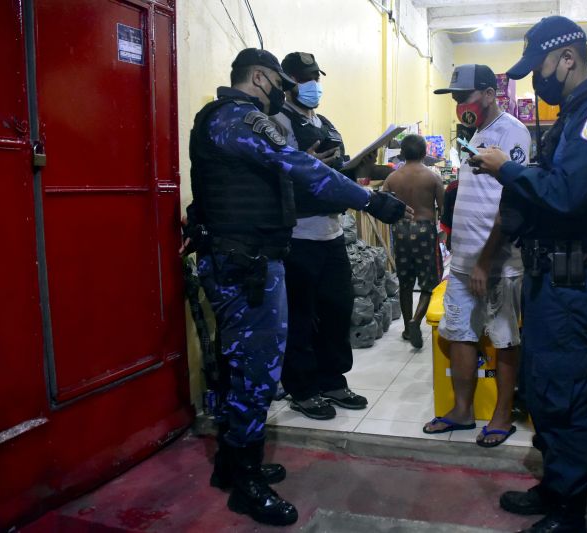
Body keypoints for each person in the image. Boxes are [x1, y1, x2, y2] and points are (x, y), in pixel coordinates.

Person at [184, 48, 411, 527]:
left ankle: (232, 464)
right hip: (245, 267)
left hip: (243, 260)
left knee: (243, 366)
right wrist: (369, 200)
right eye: (282, 84)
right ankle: (246, 485)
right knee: (255, 372)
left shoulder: (224, 120)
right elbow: (298, 166)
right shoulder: (238, 119)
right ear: (263, 78)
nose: (287, 93)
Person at [470, 17, 587, 532]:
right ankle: (554, 484)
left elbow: (569, 194)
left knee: (563, 393)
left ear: (567, 57)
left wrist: (508, 169)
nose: (535, 81)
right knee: (543, 387)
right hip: (549, 276)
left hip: (569, 279)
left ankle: (571, 510)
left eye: (539, 68)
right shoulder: (573, 115)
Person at [422, 64, 531, 448]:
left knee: (503, 340)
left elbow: (510, 204)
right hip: (464, 261)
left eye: (464, 97)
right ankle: (462, 411)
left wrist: (486, 259)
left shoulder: (511, 133)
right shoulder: (477, 134)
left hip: (497, 263)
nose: (458, 105)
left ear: (489, 92)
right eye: (454, 99)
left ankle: (502, 417)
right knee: (460, 335)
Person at [270, 51, 373, 420]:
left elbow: (338, 174)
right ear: (286, 82)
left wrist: (355, 171)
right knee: (300, 315)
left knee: (336, 309)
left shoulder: (327, 124)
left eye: (315, 77)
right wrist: (311, 167)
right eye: (302, 78)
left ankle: (333, 380)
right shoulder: (277, 122)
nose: (312, 84)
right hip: (297, 236)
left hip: (331, 234)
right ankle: (303, 388)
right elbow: (277, 175)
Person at [381, 134, 445, 348]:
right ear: (425, 153)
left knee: (406, 282)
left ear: (401, 153)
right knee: (429, 281)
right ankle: (416, 320)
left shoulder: (392, 178)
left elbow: (383, 205)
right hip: (425, 230)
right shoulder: (433, 177)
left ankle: (408, 330)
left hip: (400, 230)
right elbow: (443, 210)